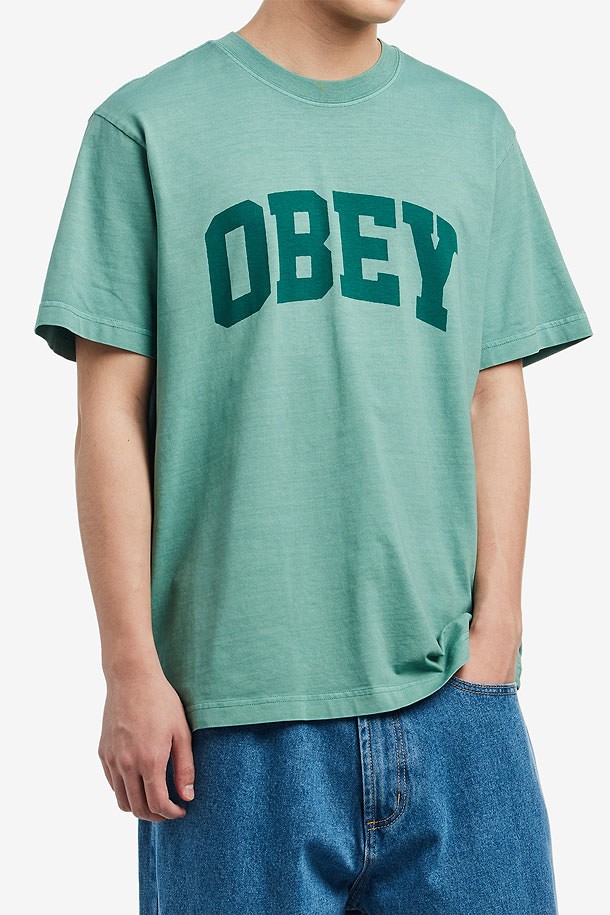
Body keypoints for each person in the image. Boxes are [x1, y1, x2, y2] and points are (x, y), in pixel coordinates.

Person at [33, 1, 593, 912]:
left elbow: (493, 392)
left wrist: (497, 636)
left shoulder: (471, 131)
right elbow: (110, 413)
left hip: (454, 703)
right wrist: (128, 666)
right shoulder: (148, 127)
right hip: (229, 724)